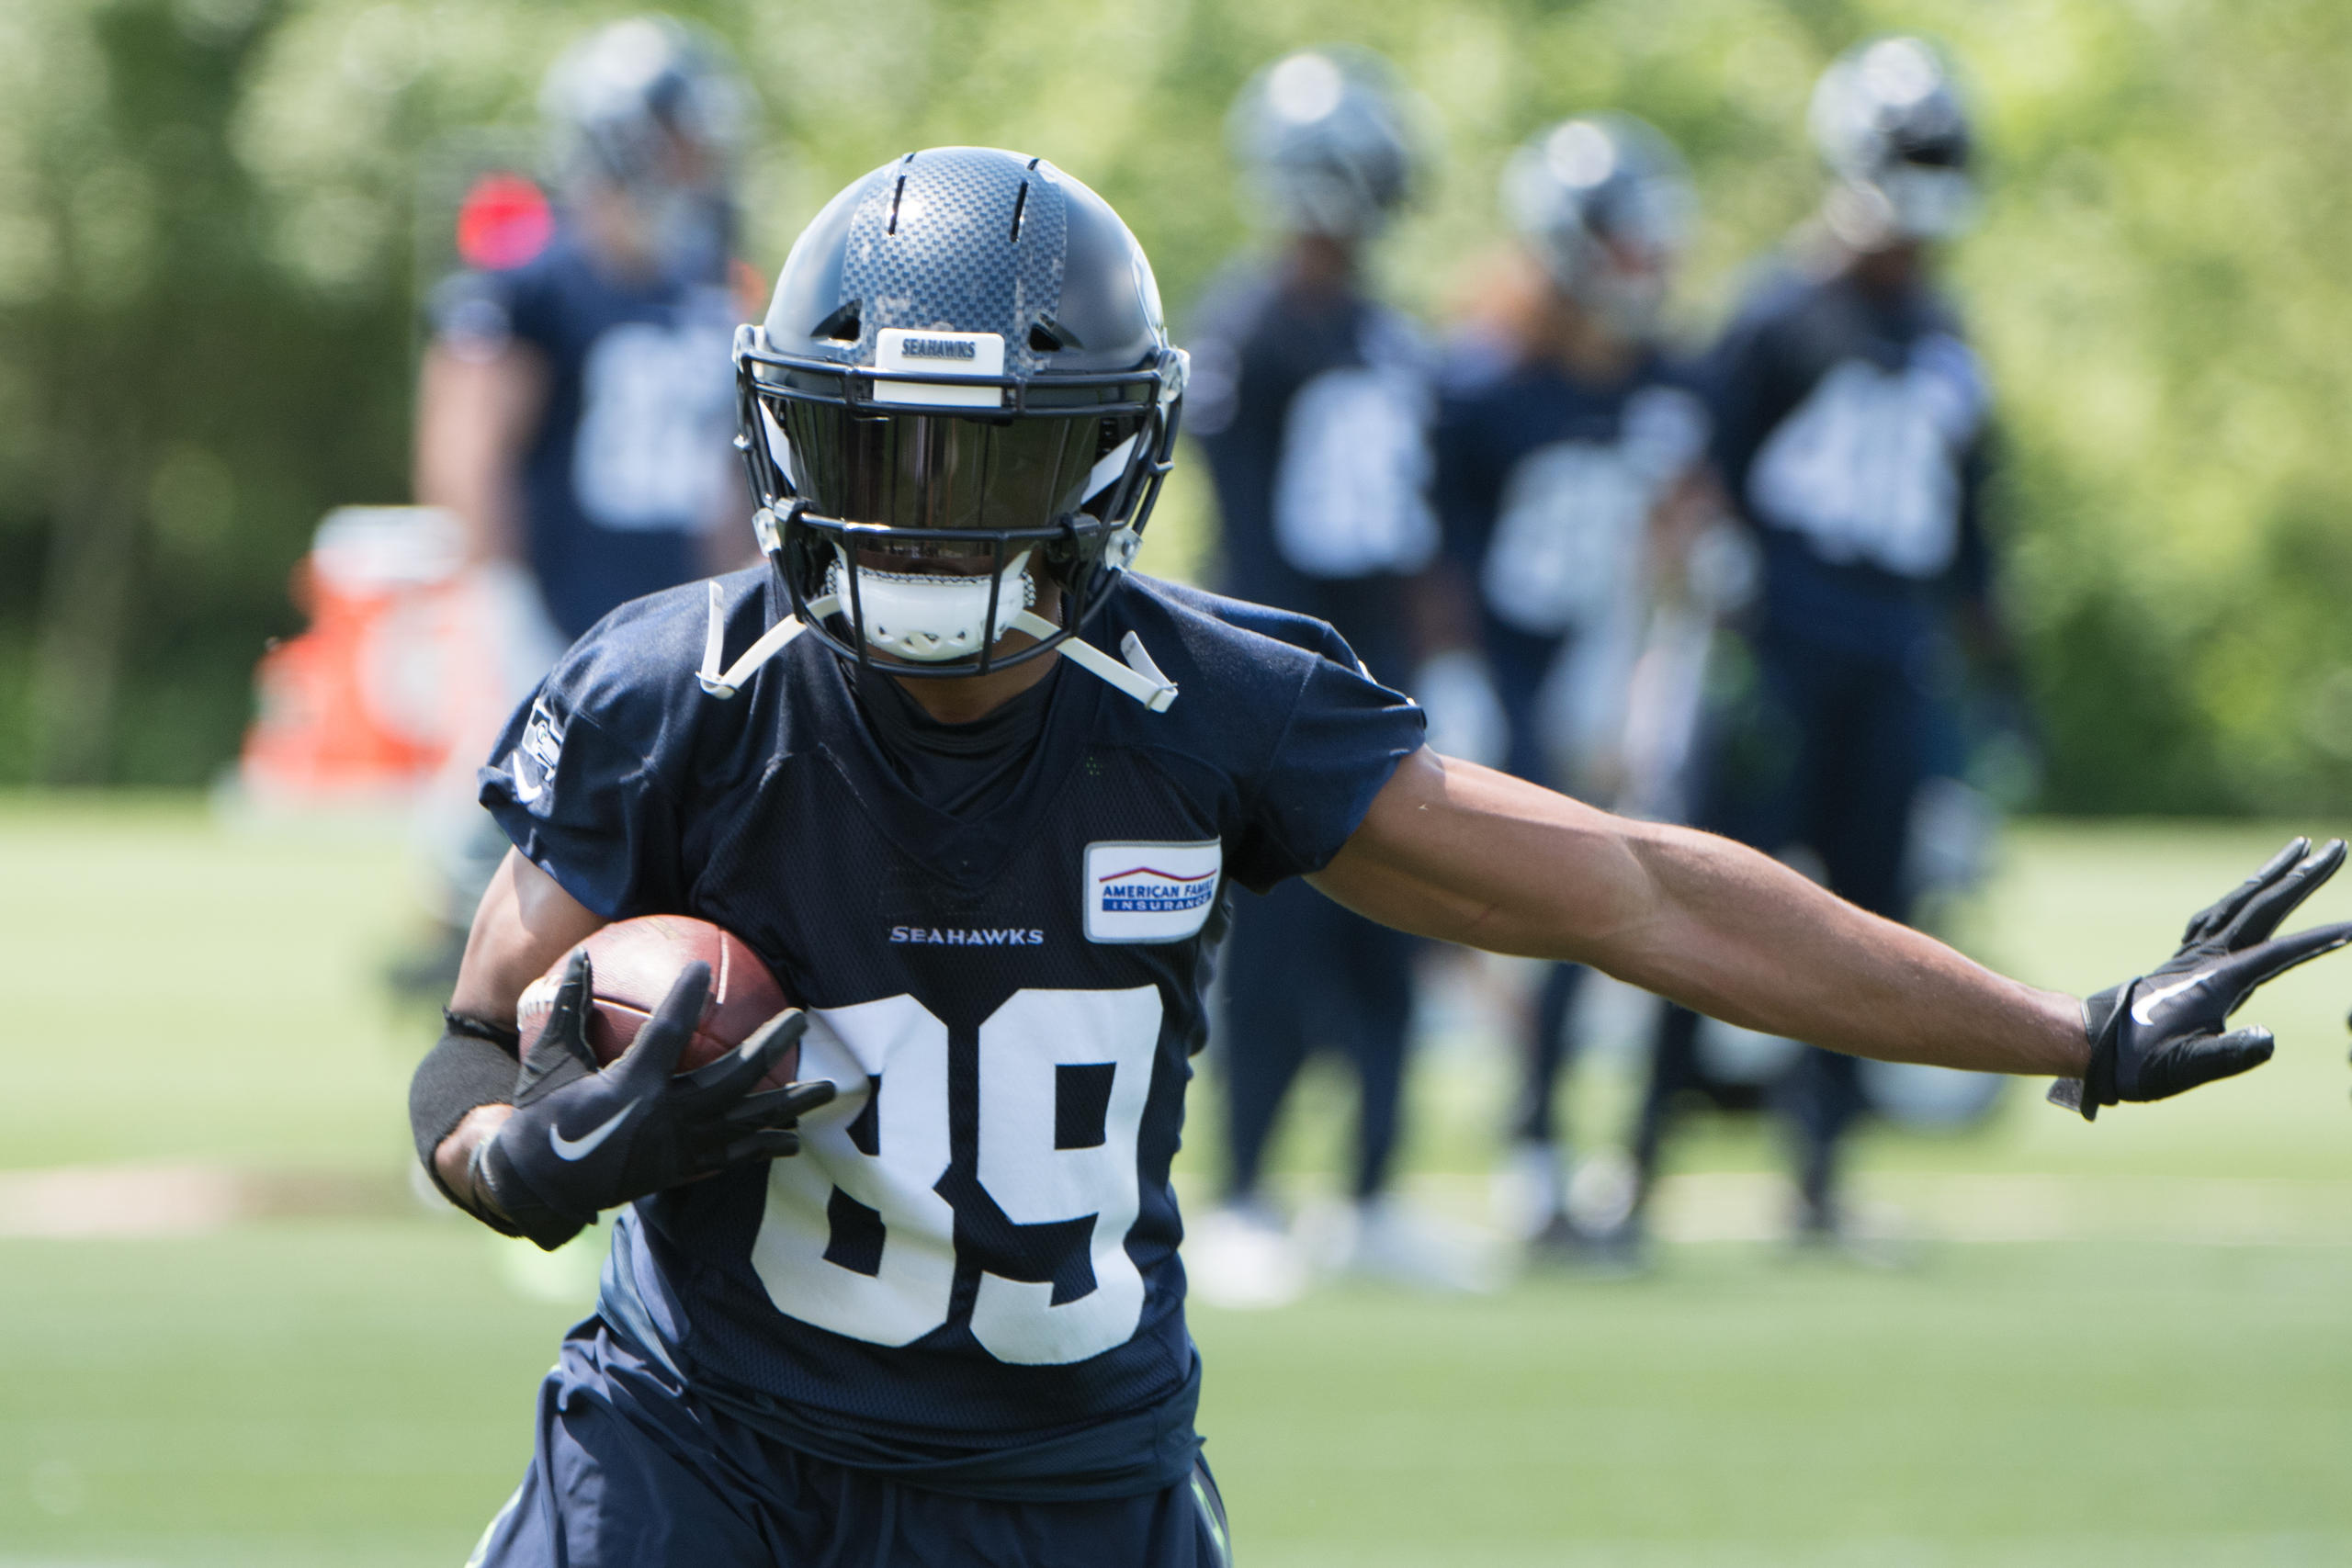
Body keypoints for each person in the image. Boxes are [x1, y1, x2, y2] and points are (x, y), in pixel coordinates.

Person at [406, 146, 2351, 1568]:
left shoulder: (1207, 701)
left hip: (1062, 1487)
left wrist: (2064, 1031)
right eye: (880, 456)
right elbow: (476, 1039)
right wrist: (517, 1155)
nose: (923, 531)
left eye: (986, 471)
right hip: (695, 1457)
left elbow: (1633, 888)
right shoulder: (683, 690)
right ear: (785, 439)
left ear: (1112, 463)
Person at [1629, 36, 2011, 1250]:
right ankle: (1636, 1169)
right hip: (1779, 648)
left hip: (1889, 655)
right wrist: (1718, 589)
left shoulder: (1946, 331)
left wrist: (1995, 676)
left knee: (1876, 917)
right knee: (1698, 897)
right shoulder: (1780, 313)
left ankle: (1822, 1177)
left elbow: (1970, 527)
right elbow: (1688, 472)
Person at [1183, 49, 1464, 1300]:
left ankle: (1373, 1192)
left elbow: (1415, 530)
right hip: (1281, 670)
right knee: (1279, 948)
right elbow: (1242, 530)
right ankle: (1244, 1192)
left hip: (1381, 668)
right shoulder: (1248, 326)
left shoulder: (1386, 333)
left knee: (1395, 940)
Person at [398, 16, 756, 994]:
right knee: (509, 863)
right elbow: (470, 449)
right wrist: (502, 599)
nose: (698, 161)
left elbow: (722, 478)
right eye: (680, 136)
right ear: (627, 137)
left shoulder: (703, 292)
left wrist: (742, 594)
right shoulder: (535, 285)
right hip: (557, 602)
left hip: (671, 618)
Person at [1430, 114, 1714, 1262]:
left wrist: (1652, 674)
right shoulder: (1486, 384)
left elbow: (1684, 539)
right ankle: (1535, 1151)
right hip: (1512, 674)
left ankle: (1634, 1167)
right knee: (1549, 923)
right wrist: (1460, 684)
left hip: (1623, 676)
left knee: (1668, 910)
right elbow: (1437, 555)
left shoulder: (1670, 381)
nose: (1645, 260)